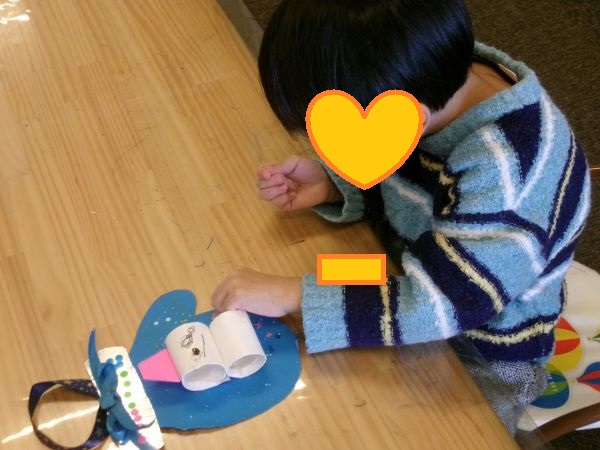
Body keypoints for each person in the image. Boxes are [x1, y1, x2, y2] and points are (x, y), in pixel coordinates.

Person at [211, 0, 591, 433]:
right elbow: (405, 175)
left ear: (407, 117)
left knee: (354, 423)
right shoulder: (425, 71)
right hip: (408, 269)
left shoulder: (506, 173)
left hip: (484, 348)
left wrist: (293, 295)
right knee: (304, 302)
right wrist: (337, 182)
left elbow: (441, 306)